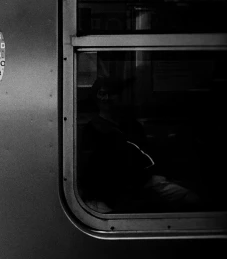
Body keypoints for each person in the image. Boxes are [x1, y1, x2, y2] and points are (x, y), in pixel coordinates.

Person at [80, 77, 201, 213]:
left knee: (191, 198)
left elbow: (147, 154)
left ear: (120, 96)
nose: (107, 98)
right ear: (96, 98)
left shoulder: (132, 125)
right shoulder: (93, 130)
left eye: (112, 93)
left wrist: (152, 176)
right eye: (102, 94)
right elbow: (93, 171)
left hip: (143, 181)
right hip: (109, 189)